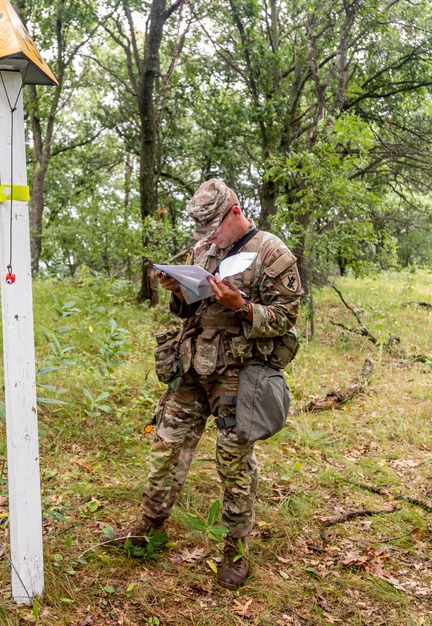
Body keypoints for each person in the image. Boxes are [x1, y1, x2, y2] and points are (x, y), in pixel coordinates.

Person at [102, 179, 303, 589]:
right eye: (203, 231)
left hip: (238, 371)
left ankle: (235, 545)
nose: (209, 237)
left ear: (235, 211)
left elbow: (286, 317)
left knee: (233, 461)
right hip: (191, 367)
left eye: (214, 227)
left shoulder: (270, 251)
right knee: (166, 446)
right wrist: (177, 291)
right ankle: (150, 524)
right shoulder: (204, 250)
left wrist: (242, 307)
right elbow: (188, 310)